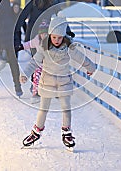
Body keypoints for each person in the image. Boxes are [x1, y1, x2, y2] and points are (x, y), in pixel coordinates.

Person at [20, 14, 96, 150]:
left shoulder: (69, 47)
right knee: (43, 108)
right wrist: (25, 73)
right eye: (54, 37)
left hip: (63, 81)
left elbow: (80, 58)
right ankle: (36, 132)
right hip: (47, 81)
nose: (56, 40)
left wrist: (90, 67)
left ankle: (66, 133)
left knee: (66, 108)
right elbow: (35, 61)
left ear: (64, 37)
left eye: (59, 37)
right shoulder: (44, 47)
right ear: (50, 35)